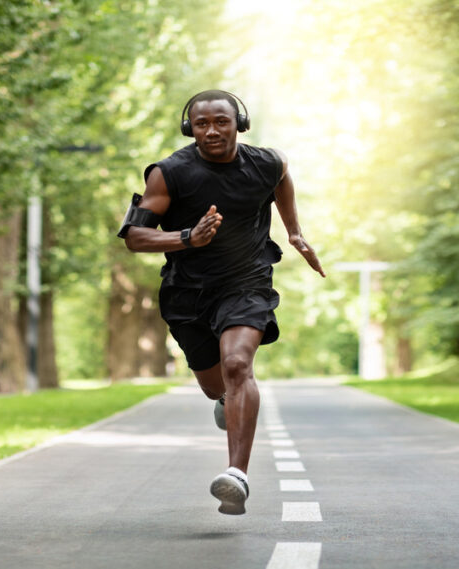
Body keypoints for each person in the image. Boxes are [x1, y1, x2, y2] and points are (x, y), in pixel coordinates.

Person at [118, 89, 325, 515]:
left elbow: (282, 174)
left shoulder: (265, 162)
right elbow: (136, 238)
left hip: (247, 282)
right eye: (201, 124)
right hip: (188, 292)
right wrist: (187, 237)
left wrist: (294, 230)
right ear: (189, 128)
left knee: (237, 366)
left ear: (239, 124)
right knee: (217, 385)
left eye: (221, 122)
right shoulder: (169, 173)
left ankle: (237, 476)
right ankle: (225, 400)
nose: (211, 131)